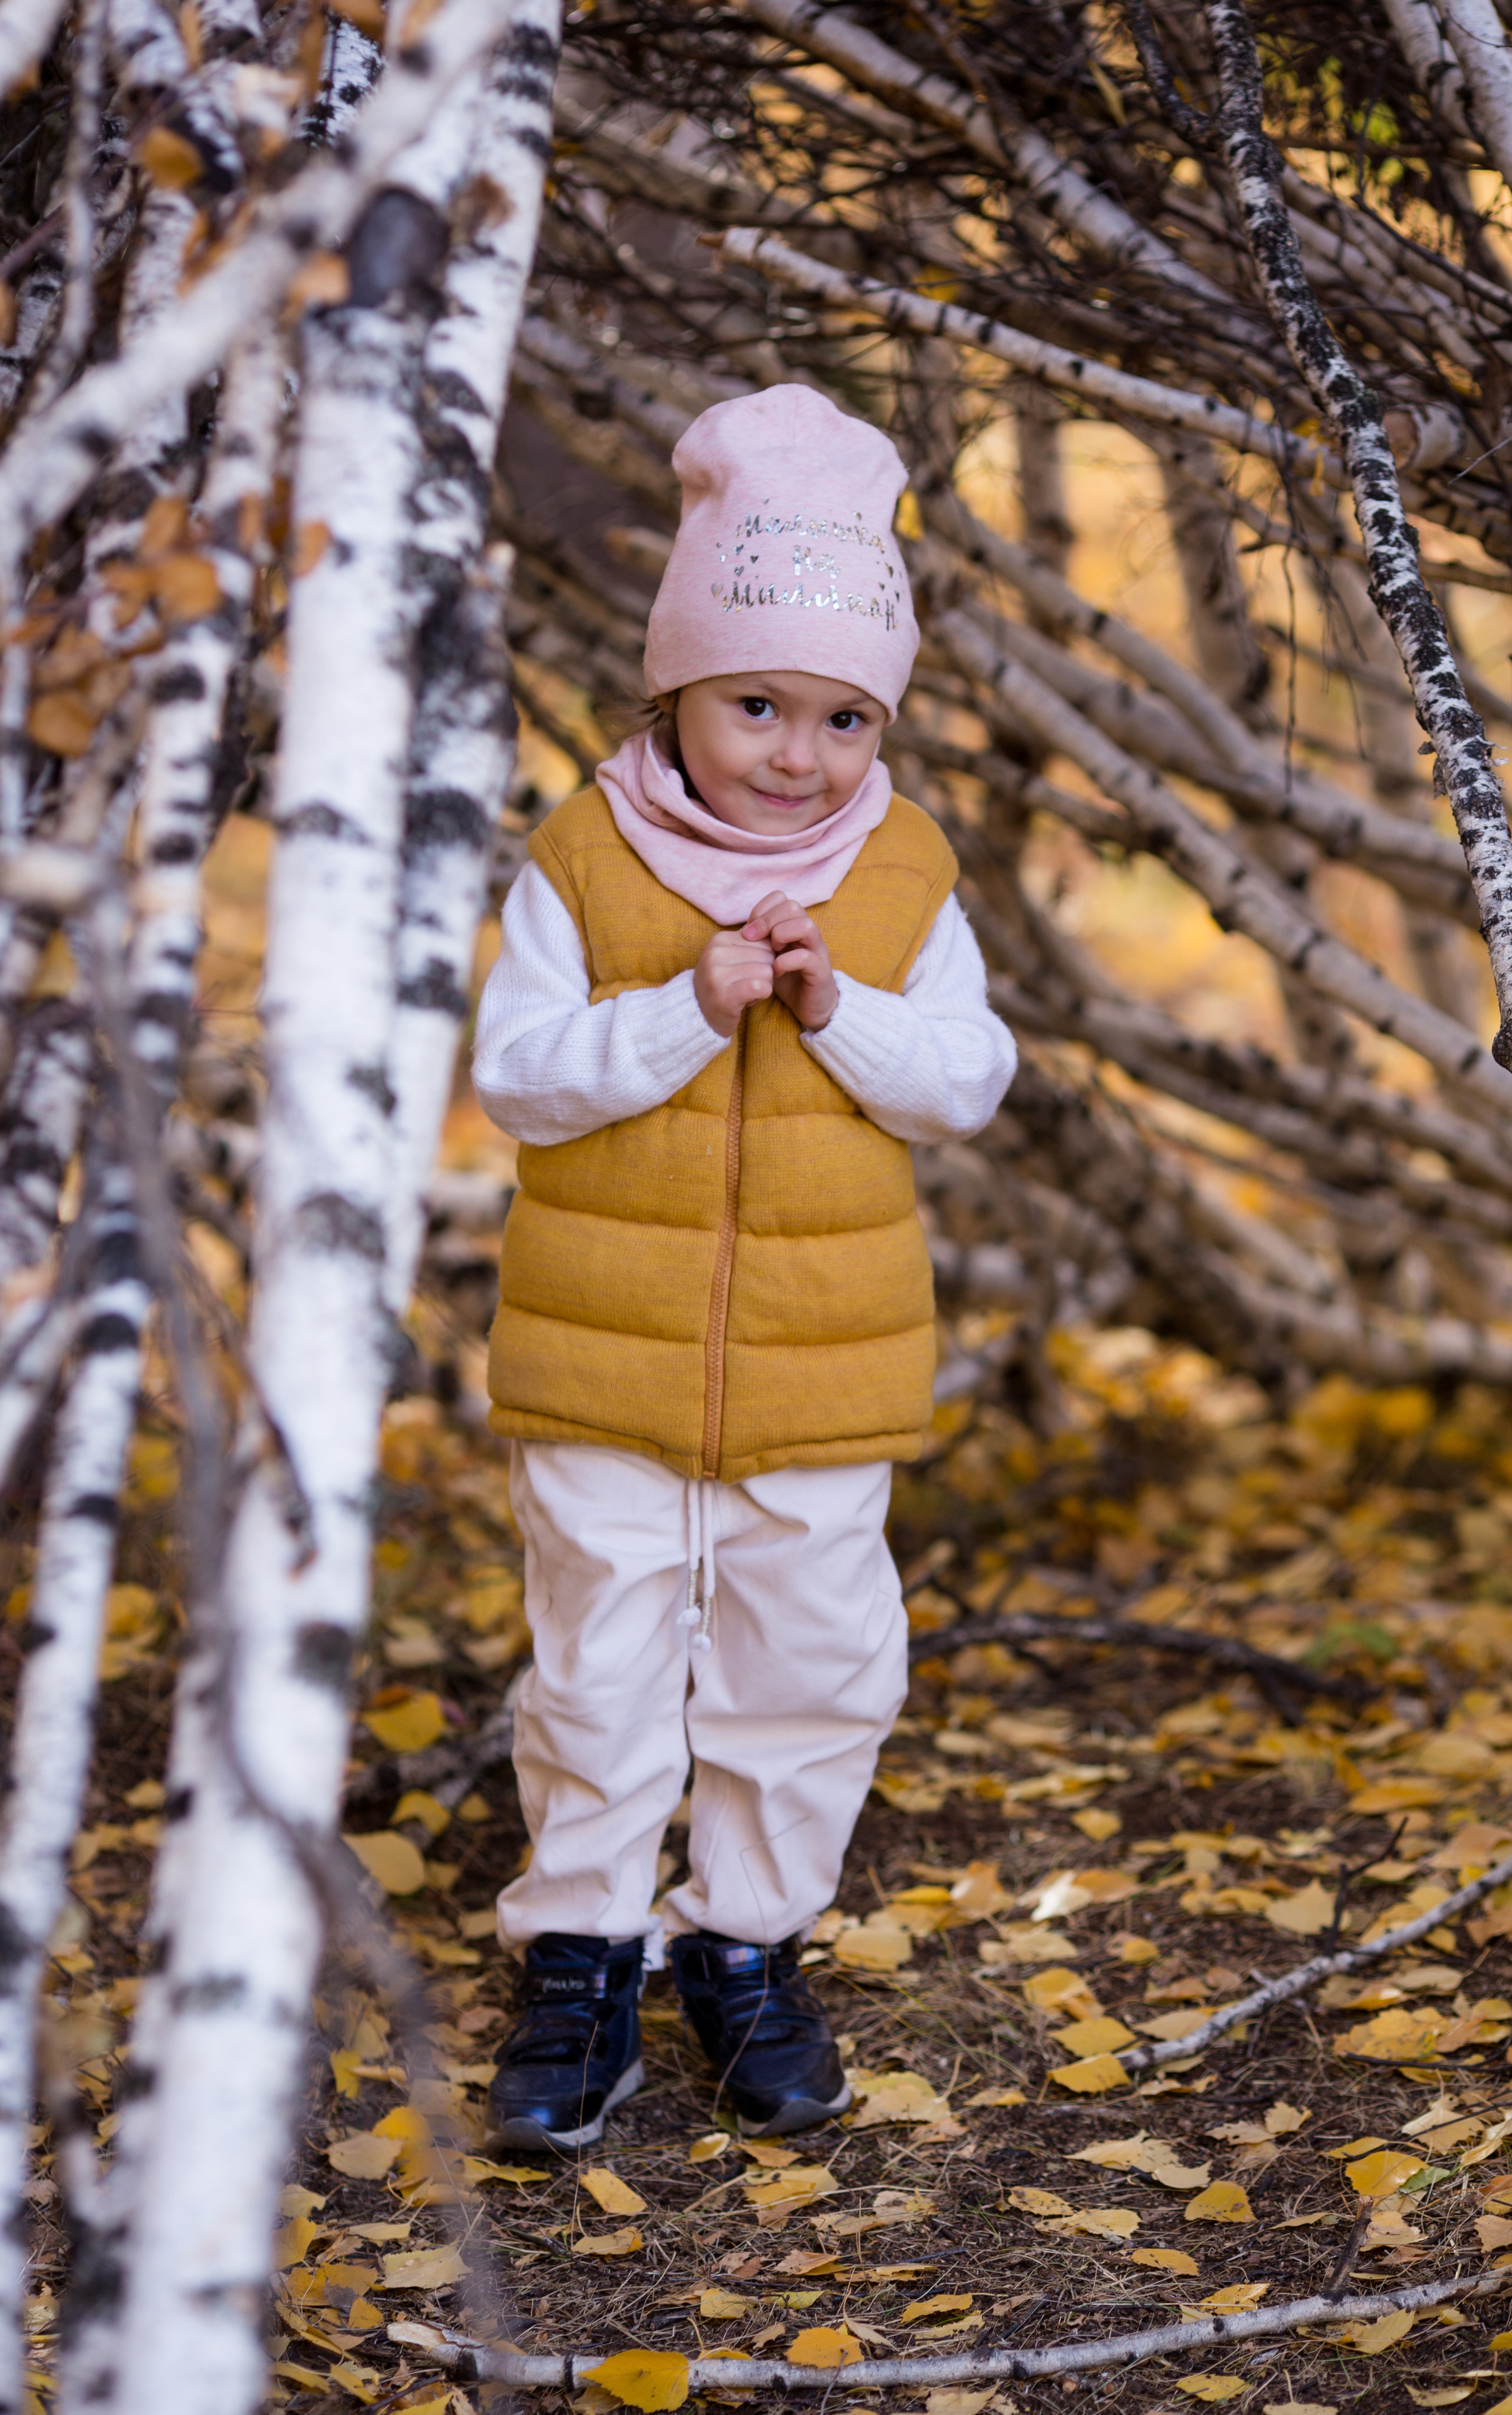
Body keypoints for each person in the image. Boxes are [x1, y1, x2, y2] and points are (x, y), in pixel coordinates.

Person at [472, 382, 1017, 2153]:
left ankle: (750, 1941)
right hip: (602, 1358)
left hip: (822, 1362)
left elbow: (966, 1085)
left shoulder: (907, 871)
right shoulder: (583, 859)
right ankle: (582, 1949)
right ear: (677, 691)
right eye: (756, 703)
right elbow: (525, 1080)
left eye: (841, 715)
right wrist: (686, 1006)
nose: (795, 752)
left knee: (813, 1657)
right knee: (600, 1655)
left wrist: (833, 1007)